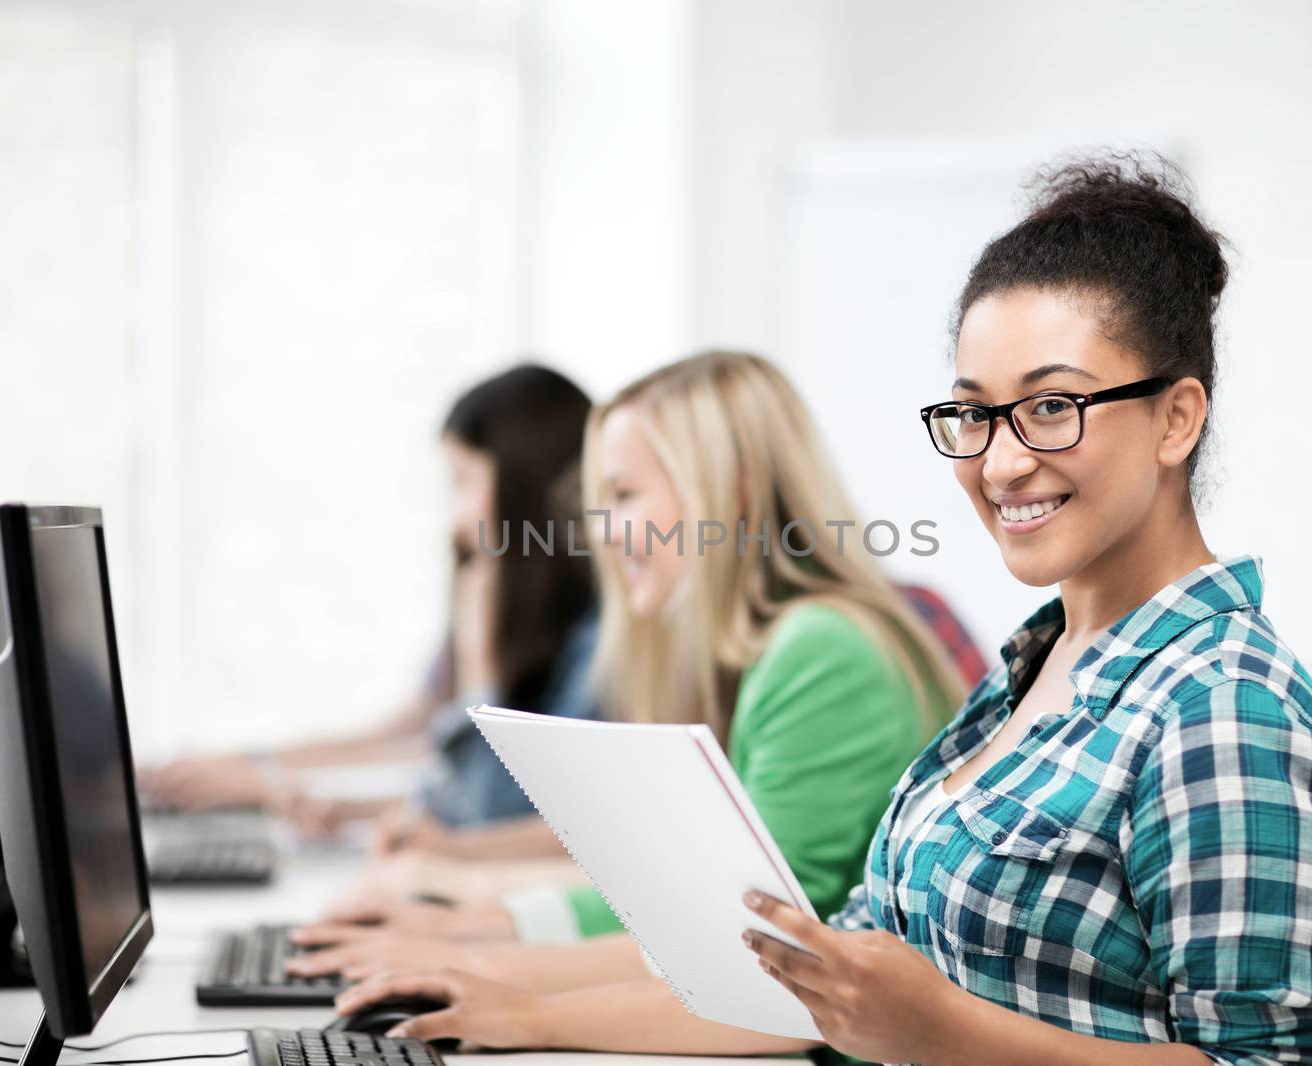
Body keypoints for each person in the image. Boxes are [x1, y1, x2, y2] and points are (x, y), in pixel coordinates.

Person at [330, 153, 1312, 1064]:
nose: (1002, 459)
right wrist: (515, 1011)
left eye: (1051, 406)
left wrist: (940, 1031)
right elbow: (818, 980)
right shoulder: (1031, 676)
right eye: (972, 412)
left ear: (1175, 417)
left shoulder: (1224, 708)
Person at [287, 352, 964, 1050]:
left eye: (623, 495)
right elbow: (672, 904)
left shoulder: (825, 651)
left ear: (727, 491)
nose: (601, 532)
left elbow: (753, 949)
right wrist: (469, 928)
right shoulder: (759, 651)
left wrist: (487, 968)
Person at [141, 364, 602, 838]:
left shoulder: (593, 642)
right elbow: (423, 731)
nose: (453, 520)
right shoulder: (497, 602)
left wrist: (480, 666)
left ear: (522, 489)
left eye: (463, 481)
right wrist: (256, 767)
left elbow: (489, 804)